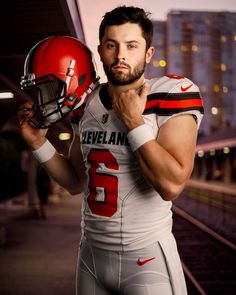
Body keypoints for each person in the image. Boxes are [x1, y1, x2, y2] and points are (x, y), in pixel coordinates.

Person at [19, 6, 204, 295]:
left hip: (145, 258)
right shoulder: (87, 103)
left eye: (132, 46)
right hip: (91, 256)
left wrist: (134, 123)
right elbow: (74, 182)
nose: (120, 55)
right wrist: (37, 143)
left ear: (148, 53)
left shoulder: (170, 94)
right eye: (111, 45)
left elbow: (171, 185)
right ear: (100, 51)